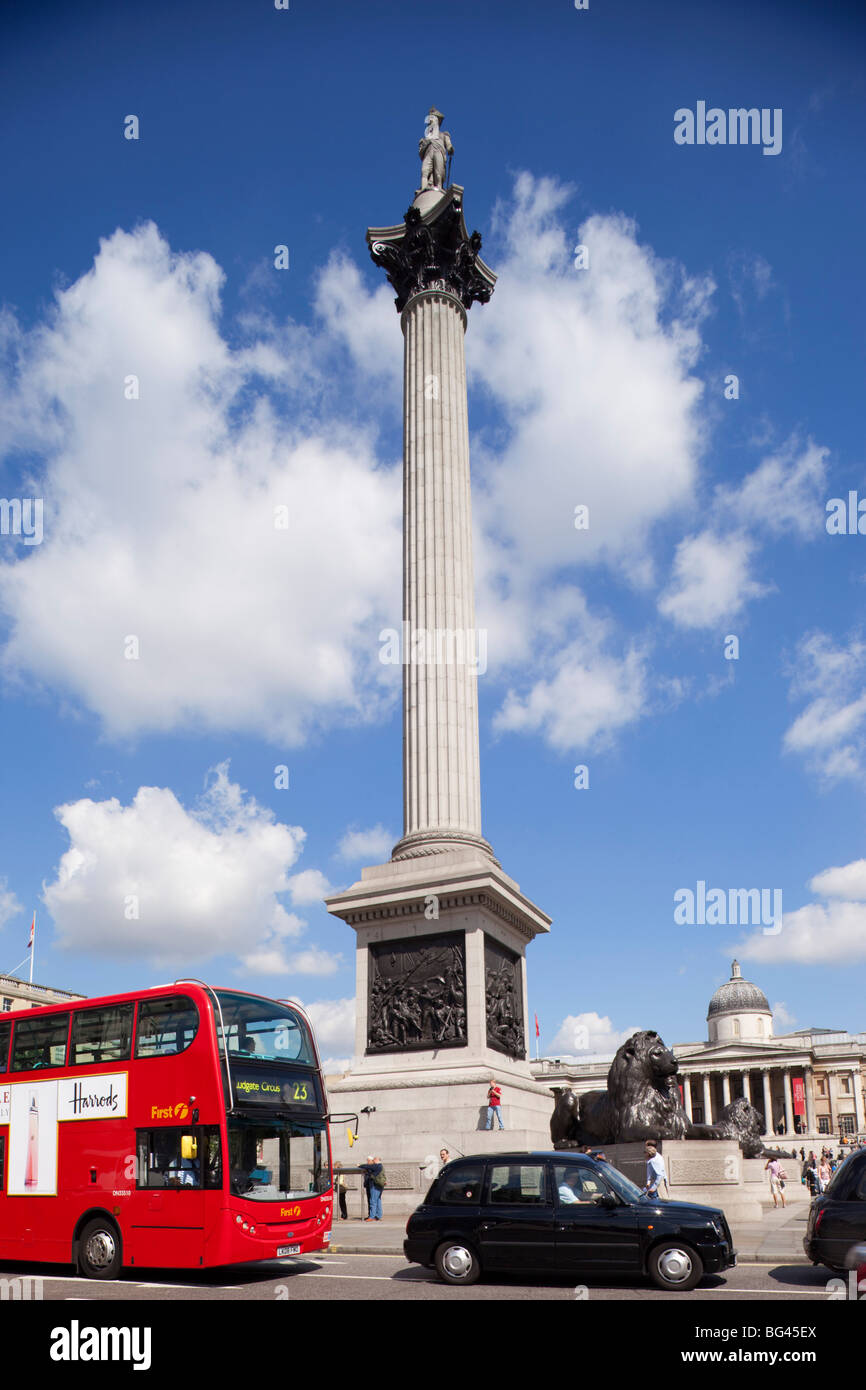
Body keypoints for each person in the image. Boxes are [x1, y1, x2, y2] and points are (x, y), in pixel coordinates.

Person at [360, 1155, 385, 1221]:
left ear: (377, 1160)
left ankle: (372, 1216)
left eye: (374, 1160)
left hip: (375, 1185)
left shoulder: (377, 1166)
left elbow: (367, 1166)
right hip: (379, 1185)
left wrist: (360, 1165)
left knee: (373, 1201)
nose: (373, 1161)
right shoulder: (380, 1166)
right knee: (378, 1200)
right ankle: (378, 1216)